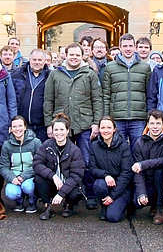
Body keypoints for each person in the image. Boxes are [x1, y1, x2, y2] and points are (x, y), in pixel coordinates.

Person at [43, 42, 103, 209]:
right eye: (71, 54)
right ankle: (65, 196)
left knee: (86, 160)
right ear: (65, 55)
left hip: (84, 124)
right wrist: (49, 124)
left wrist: (96, 123)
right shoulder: (55, 75)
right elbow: (48, 100)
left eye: (78, 55)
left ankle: (89, 194)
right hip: (61, 126)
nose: (74, 58)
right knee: (61, 162)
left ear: (83, 56)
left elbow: (97, 100)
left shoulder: (89, 74)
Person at [102, 33, 151, 153]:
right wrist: (107, 117)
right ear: (120, 48)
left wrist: (148, 116)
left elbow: (149, 94)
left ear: (135, 47)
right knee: (118, 151)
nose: (128, 49)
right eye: (125, 46)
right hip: (117, 117)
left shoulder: (145, 67)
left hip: (138, 117)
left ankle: (137, 172)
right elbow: (106, 94)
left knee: (138, 150)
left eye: (130, 46)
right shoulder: (110, 67)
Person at [32, 114, 86, 220]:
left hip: (68, 183)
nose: (59, 132)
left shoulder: (75, 150)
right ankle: (48, 206)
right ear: (52, 132)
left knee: (76, 193)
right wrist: (53, 176)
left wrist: (61, 194)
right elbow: (37, 163)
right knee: (38, 180)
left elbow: (76, 176)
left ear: (67, 131)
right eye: (56, 130)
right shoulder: (46, 145)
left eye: (62, 129)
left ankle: (69, 206)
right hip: (53, 182)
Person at [132, 109, 163, 225]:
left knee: (159, 171)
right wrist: (141, 192)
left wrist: (144, 164)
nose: (155, 127)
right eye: (152, 123)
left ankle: (161, 208)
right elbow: (138, 171)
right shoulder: (139, 143)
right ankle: (153, 204)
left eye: (158, 123)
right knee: (136, 202)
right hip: (149, 181)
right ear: (147, 125)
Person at [89, 116, 134, 223]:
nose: (106, 131)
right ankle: (104, 207)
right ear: (99, 129)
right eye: (103, 128)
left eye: (109, 127)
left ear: (114, 129)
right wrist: (105, 175)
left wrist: (112, 196)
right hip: (105, 183)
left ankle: (126, 205)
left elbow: (126, 174)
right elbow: (92, 169)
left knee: (113, 217)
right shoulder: (94, 146)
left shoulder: (124, 146)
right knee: (99, 185)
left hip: (122, 187)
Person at [0, 116, 42, 213]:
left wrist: (23, 176)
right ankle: (19, 201)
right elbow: (3, 166)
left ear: (25, 127)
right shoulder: (6, 145)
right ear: (10, 129)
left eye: (20, 126)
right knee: (11, 193)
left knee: (29, 187)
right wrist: (12, 178)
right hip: (14, 176)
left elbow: (39, 163)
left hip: (30, 175)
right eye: (14, 126)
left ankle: (32, 202)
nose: (17, 129)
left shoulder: (36, 142)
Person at [11, 48, 51, 142]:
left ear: (45, 61)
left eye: (40, 60)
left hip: (42, 127)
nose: (37, 62)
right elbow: (11, 99)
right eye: (34, 59)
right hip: (22, 126)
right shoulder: (18, 74)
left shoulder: (50, 76)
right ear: (29, 60)